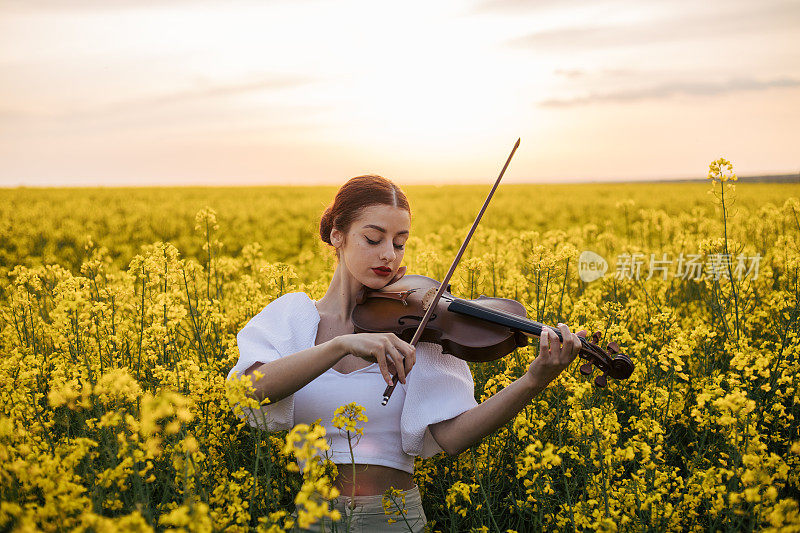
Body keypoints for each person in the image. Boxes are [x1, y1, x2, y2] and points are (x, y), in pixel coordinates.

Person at [227, 174, 586, 532]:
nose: (388, 254)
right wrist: (340, 346)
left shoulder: (420, 325)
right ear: (338, 235)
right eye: (373, 238)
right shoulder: (293, 316)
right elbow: (249, 390)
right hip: (312, 519)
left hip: (394, 518)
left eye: (399, 243)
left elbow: (453, 436)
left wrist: (533, 380)